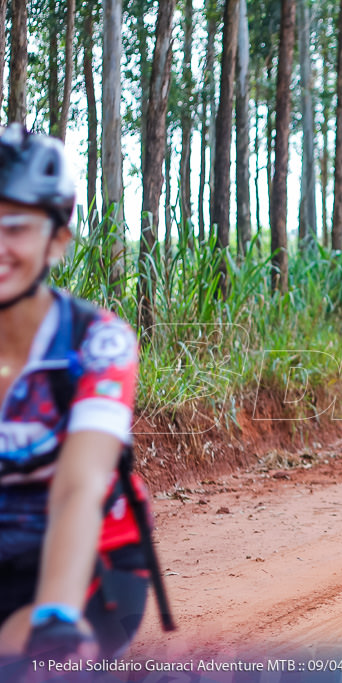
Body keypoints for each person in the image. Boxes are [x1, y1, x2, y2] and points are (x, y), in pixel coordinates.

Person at [0, 123, 153, 667]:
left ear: (57, 240)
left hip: (93, 568)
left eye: (15, 225)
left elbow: (79, 486)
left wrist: (55, 618)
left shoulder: (96, 341)